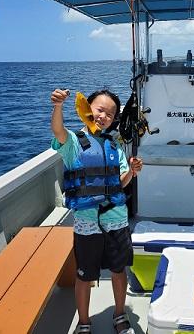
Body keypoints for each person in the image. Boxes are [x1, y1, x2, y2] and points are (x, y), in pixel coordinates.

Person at [51, 88, 143, 334]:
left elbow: (120, 182)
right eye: (100, 110)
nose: (104, 116)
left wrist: (131, 172)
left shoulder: (114, 146)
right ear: (86, 109)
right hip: (87, 223)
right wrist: (58, 106)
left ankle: (120, 315)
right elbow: (58, 131)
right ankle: (84, 322)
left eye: (111, 114)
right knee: (84, 275)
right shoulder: (72, 142)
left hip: (116, 220)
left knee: (118, 270)